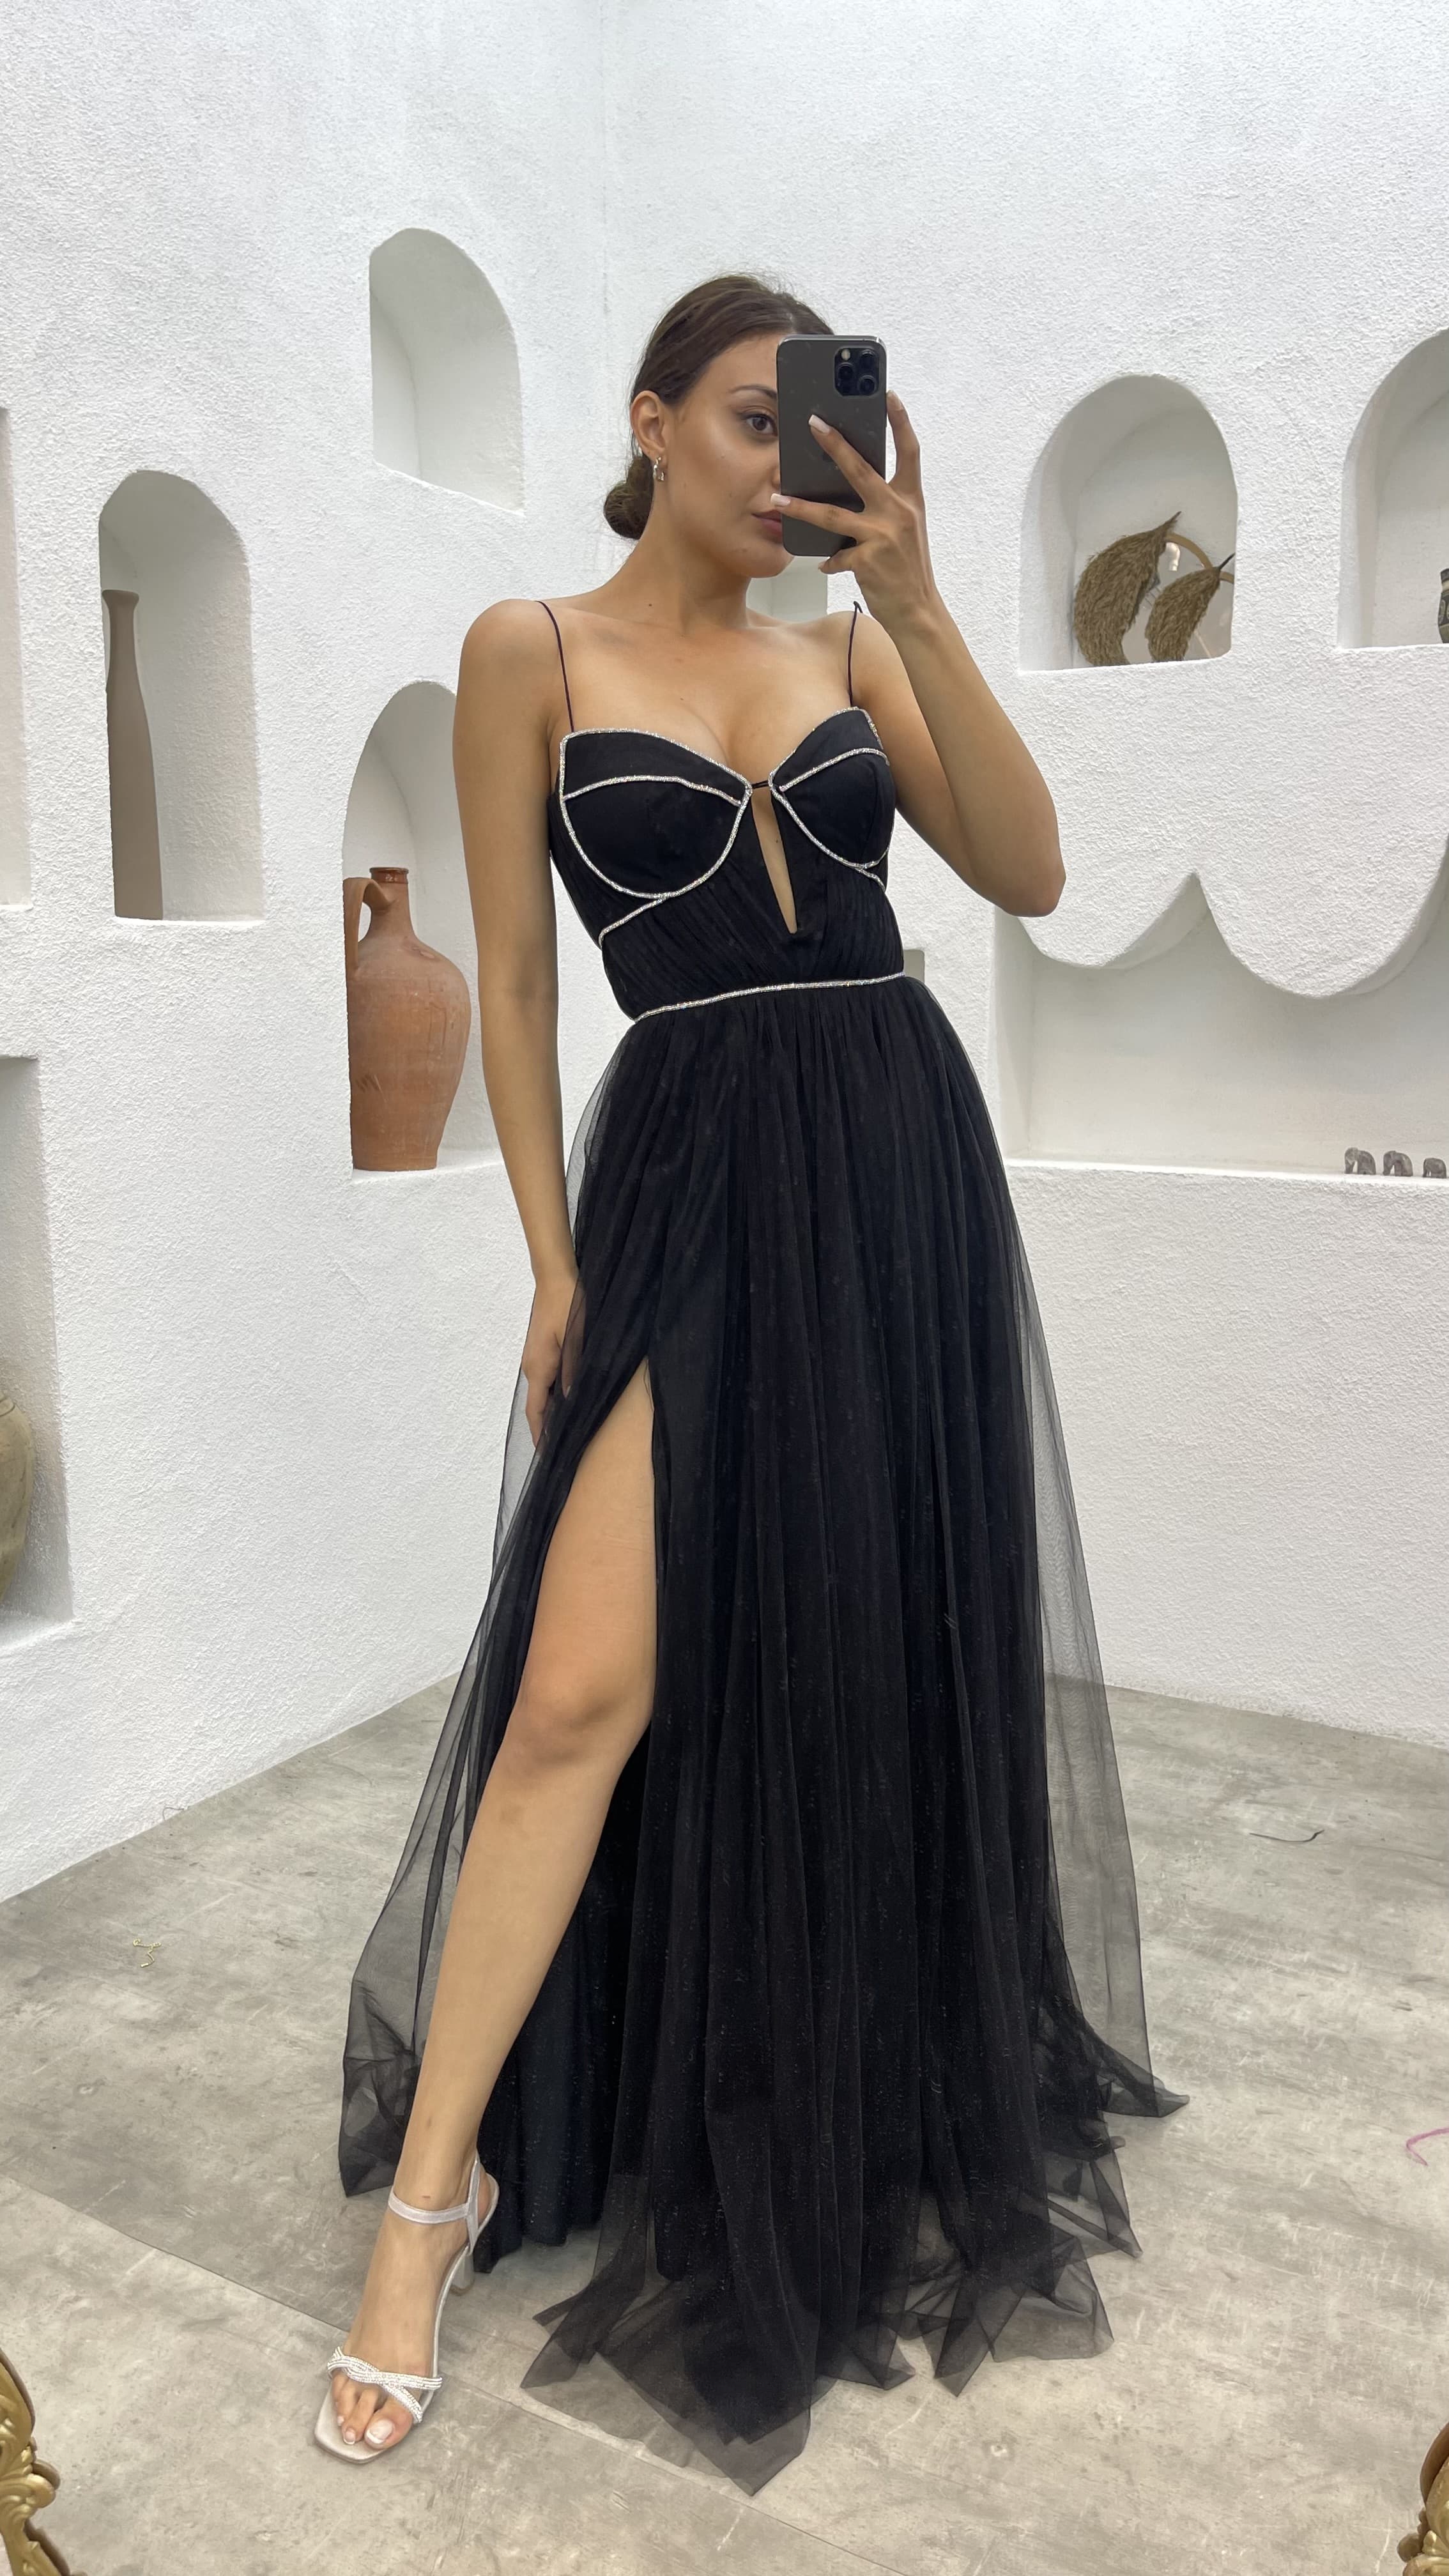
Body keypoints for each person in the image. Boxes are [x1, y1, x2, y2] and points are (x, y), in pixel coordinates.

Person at [315, 271, 1185, 2496]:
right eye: (742, 414)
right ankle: (430, 2203)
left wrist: (922, 595)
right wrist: (548, 1263)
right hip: (690, 1166)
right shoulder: (531, 649)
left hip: (891, 1156)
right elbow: (520, 985)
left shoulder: (849, 648)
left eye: (817, 424)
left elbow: (1028, 868)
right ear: (648, 422)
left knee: (862, 1643)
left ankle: (847, 2061)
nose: (790, 457)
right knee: (577, 1693)